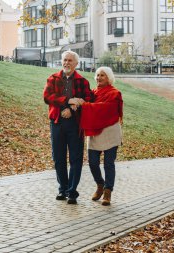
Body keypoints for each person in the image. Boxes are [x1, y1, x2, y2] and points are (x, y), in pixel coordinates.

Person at [43, 50, 92, 204]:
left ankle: (72, 192)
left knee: (76, 158)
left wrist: (72, 109)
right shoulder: (53, 78)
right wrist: (69, 101)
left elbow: (88, 99)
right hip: (57, 122)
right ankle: (62, 189)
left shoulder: (82, 81)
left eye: (70, 60)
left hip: (75, 124)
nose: (67, 63)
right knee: (58, 157)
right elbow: (47, 97)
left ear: (76, 64)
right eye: (65, 60)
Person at [70, 67, 123, 206]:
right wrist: (78, 104)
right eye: (98, 75)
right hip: (94, 129)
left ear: (109, 78)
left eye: (103, 75)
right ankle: (100, 184)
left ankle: (107, 191)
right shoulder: (92, 93)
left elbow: (105, 109)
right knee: (93, 162)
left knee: (108, 163)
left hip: (110, 130)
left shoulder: (115, 93)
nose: (99, 78)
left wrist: (85, 105)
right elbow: (87, 103)